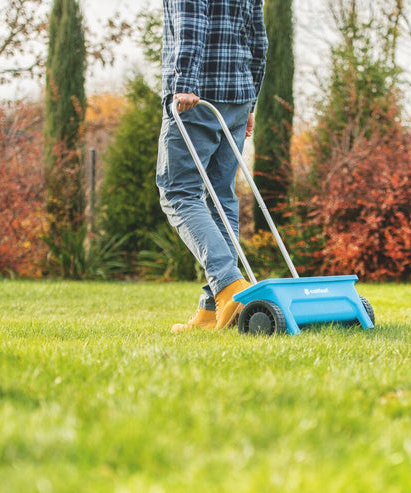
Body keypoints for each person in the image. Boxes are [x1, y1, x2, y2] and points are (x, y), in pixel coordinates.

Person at [156, 0, 268, 333]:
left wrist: (185, 81)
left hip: (197, 96)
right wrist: (252, 102)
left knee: (178, 192)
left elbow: (191, 19)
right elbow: (258, 41)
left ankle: (229, 284)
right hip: (237, 96)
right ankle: (211, 309)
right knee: (221, 197)